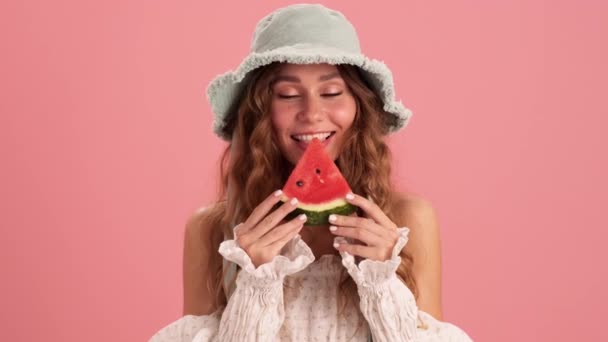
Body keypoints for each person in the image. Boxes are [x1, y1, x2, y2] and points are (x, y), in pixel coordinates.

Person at [150, 3, 473, 341]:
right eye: (288, 95)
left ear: (359, 107)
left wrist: (382, 282)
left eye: (332, 92)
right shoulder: (212, 230)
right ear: (260, 112)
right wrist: (256, 281)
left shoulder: (408, 219)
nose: (312, 113)